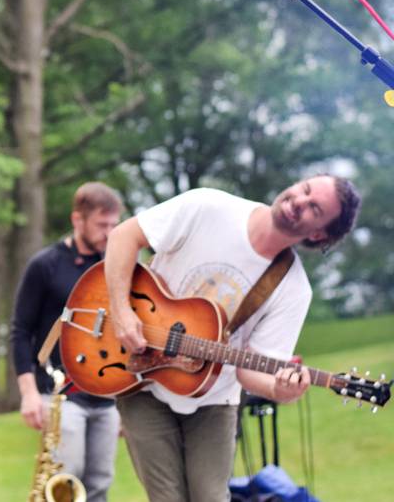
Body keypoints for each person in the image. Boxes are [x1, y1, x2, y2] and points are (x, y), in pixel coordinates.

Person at [105, 175, 361, 502]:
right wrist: (122, 312)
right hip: (141, 376)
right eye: (305, 189)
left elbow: (249, 370)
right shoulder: (208, 207)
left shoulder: (293, 289)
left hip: (213, 398)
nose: (300, 200)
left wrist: (278, 389)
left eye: (314, 207)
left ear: (319, 233)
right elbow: (124, 236)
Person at [12, 182, 124, 502]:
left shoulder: (114, 264)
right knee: (65, 483)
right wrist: (28, 394)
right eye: (102, 225)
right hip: (60, 396)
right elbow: (20, 331)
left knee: (100, 484)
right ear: (78, 220)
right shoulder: (45, 264)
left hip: (107, 398)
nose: (109, 232)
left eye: (114, 225)